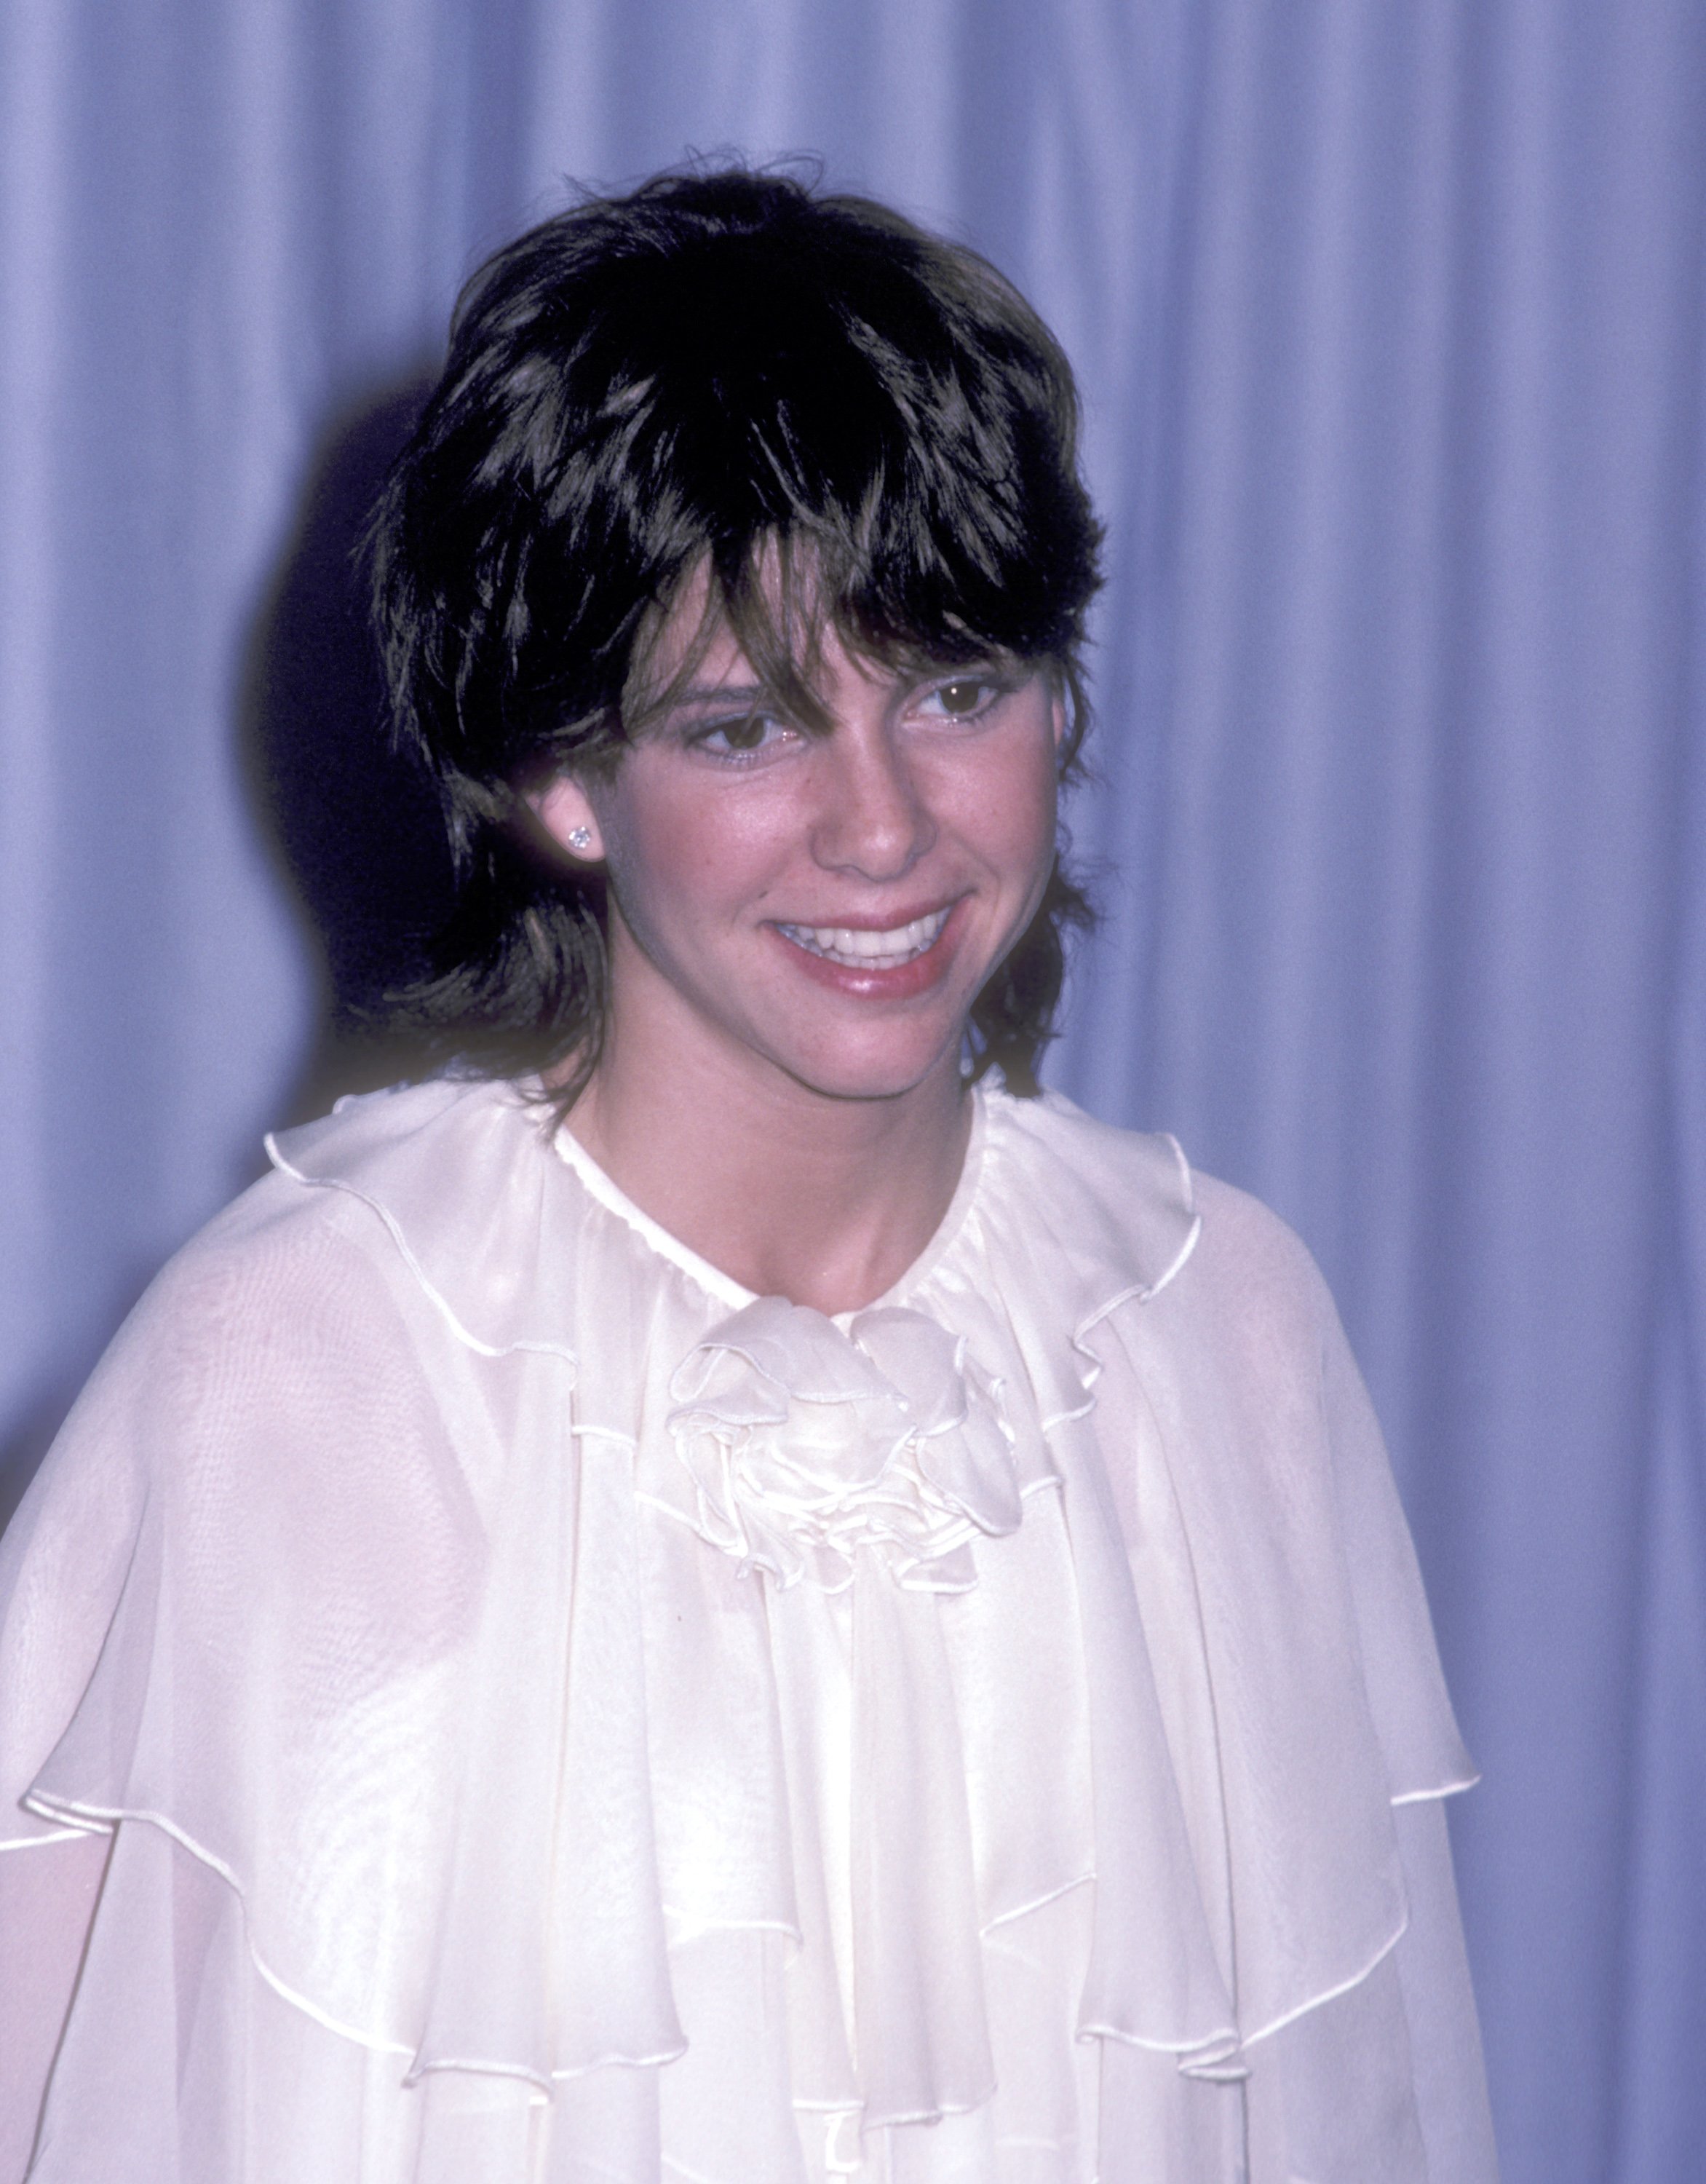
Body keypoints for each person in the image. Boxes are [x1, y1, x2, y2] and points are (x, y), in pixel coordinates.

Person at [0, 166, 1498, 2184]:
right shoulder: (298, 1374)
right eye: (744, 726)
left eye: (957, 690)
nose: (883, 829)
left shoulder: (1225, 1328)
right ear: (560, 779)